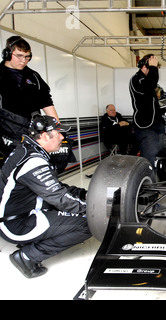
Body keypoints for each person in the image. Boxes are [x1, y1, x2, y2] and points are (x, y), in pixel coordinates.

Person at [0, 115, 91, 278]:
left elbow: (56, 188)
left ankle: (32, 243)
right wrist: (93, 209)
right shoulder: (33, 161)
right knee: (88, 223)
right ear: (43, 136)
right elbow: (60, 199)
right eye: (58, 134)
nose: (62, 137)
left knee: (77, 207)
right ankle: (28, 256)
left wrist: (83, 194)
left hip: (18, 215)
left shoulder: (28, 150)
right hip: (17, 223)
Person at [0, 35, 68, 168]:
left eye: (27, 57)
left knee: (35, 166)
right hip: (5, 130)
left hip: (31, 130)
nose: (23, 60)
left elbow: (46, 103)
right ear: (7, 54)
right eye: (19, 56)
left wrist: (57, 129)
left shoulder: (33, 76)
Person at [129, 54, 166, 176]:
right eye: (154, 68)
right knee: (149, 158)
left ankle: (157, 182)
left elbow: (150, 98)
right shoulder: (136, 80)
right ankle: (148, 188)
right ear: (145, 67)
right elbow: (149, 85)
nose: (156, 71)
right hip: (145, 127)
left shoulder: (147, 80)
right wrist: (153, 68)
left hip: (156, 126)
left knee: (158, 156)